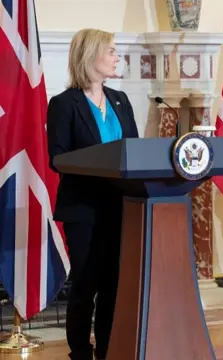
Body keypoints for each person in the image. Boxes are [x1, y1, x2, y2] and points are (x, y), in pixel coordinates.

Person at [46, 29, 139, 360]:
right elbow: (57, 157)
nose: (117, 57)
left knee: (114, 283)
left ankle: (108, 349)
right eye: (111, 51)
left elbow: (135, 153)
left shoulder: (121, 100)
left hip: (121, 207)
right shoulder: (63, 104)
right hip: (83, 209)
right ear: (91, 56)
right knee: (86, 283)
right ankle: (81, 353)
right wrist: (96, 163)